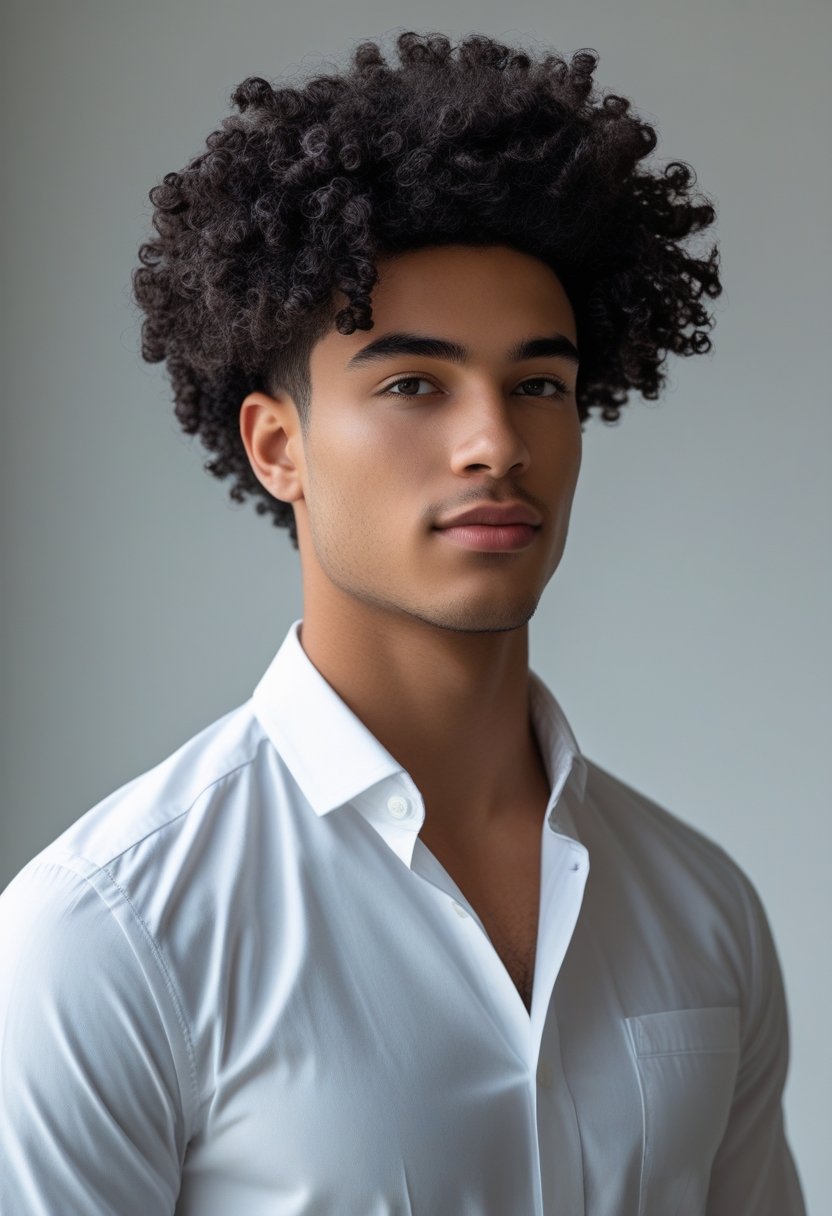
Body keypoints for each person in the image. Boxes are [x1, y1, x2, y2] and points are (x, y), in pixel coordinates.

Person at [0, 30, 805, 1216]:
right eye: (412, 383)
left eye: (539, 383)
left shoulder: (703, 906)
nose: (496, 442)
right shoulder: (108, 932)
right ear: (280, 447)